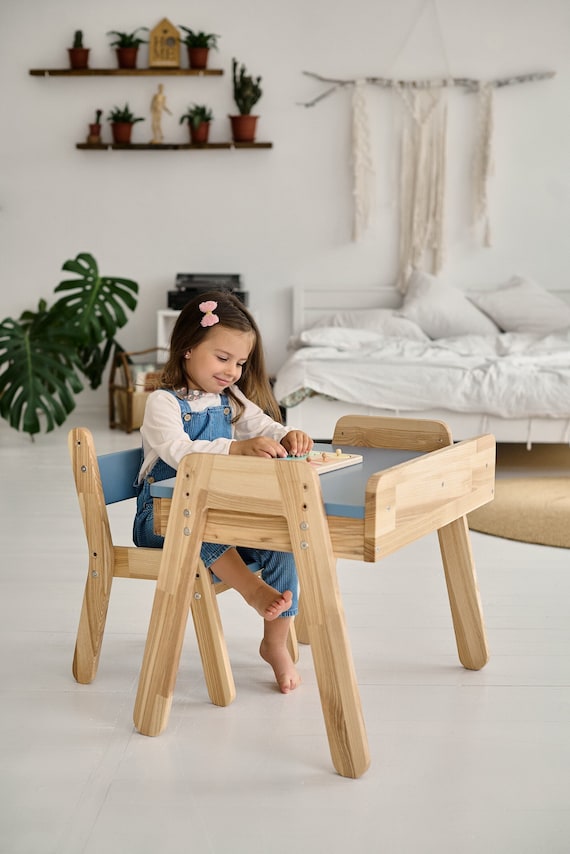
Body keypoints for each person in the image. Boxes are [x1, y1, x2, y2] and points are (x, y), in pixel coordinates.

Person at [133, 290, 313, 693]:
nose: (233, 371)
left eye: (240, 362)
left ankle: (275, 643)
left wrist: (288, 434)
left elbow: (263, 426)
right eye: (222, 358)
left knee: (284, 540)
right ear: (187, 348)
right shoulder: (162, 403)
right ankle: (252, 589)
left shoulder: (228, 399)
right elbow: (180, 452)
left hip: (218, 519)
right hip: (161, 521)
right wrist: (233, 448)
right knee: (197, 521)